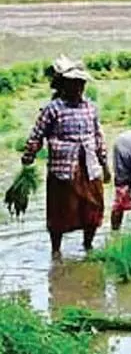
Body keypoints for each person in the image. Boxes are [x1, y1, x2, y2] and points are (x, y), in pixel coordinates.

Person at [22, 55, 110, 260]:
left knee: (93, 206)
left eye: (81, 83)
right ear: (63, 85)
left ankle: (88, 246)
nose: (79, 88)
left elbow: (98, 137)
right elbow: (37, 134)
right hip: (63, 168)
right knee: (61, 209)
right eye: (74, 83)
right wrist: (29, 155)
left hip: (89, 166)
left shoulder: (90, 107)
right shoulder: (53, 109)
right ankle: (56, 251)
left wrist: (105, 164)